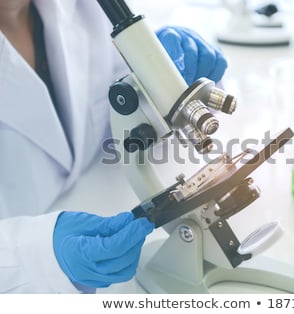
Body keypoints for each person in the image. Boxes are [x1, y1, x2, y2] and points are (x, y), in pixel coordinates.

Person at [0, 0, 227, 293]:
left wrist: (168, 78)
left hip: (104, 199)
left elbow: (124, 114)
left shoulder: (88, 7)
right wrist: (35, 257)